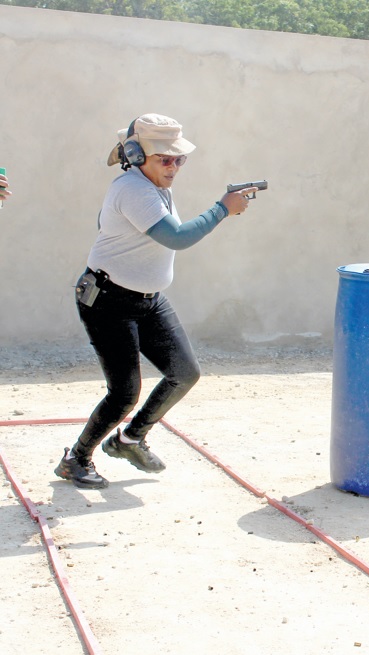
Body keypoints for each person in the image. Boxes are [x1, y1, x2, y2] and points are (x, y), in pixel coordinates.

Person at [54, 114, 257, 489]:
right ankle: (75, 459)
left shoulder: (154, 185)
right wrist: (222, 209)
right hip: (107, 301)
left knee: (185, 373)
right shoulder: (132, 189)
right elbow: (176, 237)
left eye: (179, 159)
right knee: (125, 393)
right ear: (136, 154)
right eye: (165, 158)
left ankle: (129, 440)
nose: (174, 166)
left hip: (147, 299)